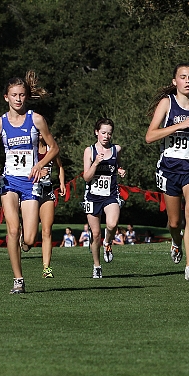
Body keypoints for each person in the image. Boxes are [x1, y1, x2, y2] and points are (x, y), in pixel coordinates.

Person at [0, 71, 59, 294]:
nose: (18, 99)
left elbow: (54, 148)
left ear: (26, 97)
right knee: (12, 229)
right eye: (14, 95)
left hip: (30, 183)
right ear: (6, 97)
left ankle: (24, 246)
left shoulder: (36, 120)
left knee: (28, 237)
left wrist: (39, 164)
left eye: (21, 95)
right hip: (9, 181)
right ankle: (18, 279)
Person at [145, 63, 189, 284]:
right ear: (175, 81)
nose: (187, 81)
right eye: (183, 77)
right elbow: (150, 136)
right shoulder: (167, 103)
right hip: (170, 167)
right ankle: (176, 241)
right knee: (174, 222)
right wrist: (178, 127)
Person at [82, 118, 126, 279]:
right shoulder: (90, 151)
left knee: (112, 223)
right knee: (94, 234)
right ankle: (97, 265)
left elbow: (118, 164)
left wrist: (120, 170)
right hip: (92, 196)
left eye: (109, 133)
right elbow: (86, 177)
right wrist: (95, 163)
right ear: (96, 132)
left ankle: (107, 243)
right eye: (103, 133)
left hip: (111, 194)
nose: (106, 136)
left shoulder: (116, 149)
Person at [33, 131, 66, 278]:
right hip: (30, 193)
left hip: (47, 192)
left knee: (47, 230)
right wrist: (37, 172)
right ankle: (25, 241)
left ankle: (47, 269)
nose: (40, 133)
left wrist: (62, 183)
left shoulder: (51, 149)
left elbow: (60, 166)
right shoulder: (29, 149)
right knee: (30, 236)